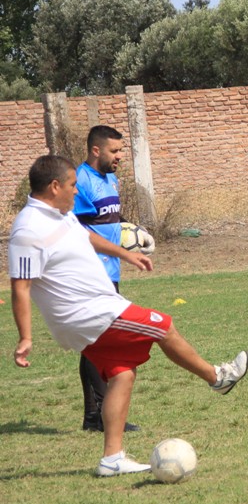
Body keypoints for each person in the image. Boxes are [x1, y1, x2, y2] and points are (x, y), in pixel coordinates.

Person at [9, 155, 248, 476]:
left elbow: (86, 237)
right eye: (72, 185)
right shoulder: (28, 229)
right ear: (54, 186)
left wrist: (125, 254)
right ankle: (217, 378)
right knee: (163, 326)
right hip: (88, 314)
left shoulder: (61, 215)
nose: (76, 191)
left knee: (122, 373)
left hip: (97, 309)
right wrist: (25, 337)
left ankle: (112, 458)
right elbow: (20, 287)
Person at [74, 125, 151, 433]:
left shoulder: (110, 179)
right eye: (114, 151)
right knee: (99, 340)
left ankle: (93, 416)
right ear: (96, 150)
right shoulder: (80, 180)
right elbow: (77, 229)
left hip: (110, 270)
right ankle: (104, 416)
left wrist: (134, 232)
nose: (120, 156)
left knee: (93, 341)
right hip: (89, 272)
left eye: (120, 150)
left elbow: (110, 219)